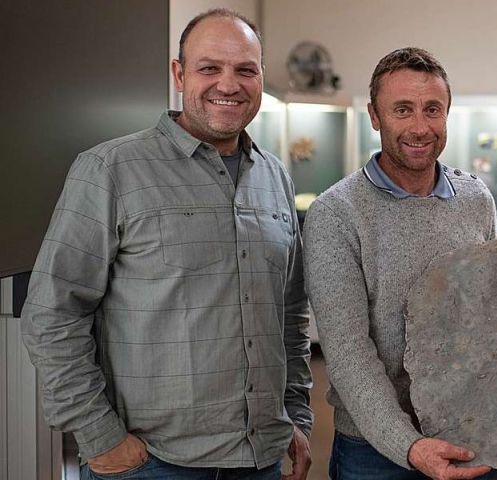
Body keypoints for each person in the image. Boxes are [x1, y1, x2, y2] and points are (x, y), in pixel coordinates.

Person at [21, 9, 313, 480]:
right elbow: (52, 312)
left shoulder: (274, 175)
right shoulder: (111, 169)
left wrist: (296, 417)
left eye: (245, 70)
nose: (228, 84)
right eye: (209, 68)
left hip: (261, 459)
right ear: (179, 75)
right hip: (152, 463)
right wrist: (100, 437)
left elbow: (290, 312)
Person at [303, 47, 497, 480]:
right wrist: (408, 446)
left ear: (448, 113)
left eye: (433, 110)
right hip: (376, 455)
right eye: (403, 110)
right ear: (375, 115)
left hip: (473, 440)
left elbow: (490, 322)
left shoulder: (475, 200)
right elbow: (349, 355)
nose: (419, 127)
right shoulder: (336, 214)